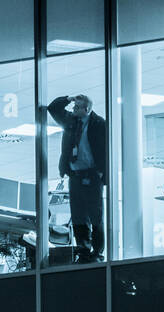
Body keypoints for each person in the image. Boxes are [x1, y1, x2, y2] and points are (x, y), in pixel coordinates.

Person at [47, 94, 107, 262]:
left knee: (95, 216)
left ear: (86, 109)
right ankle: (83, 249)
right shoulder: (71, 121)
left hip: (92, 174)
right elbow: (53, 108)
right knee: (78, 214)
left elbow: (107, 150)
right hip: (75, 175)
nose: (73, 110)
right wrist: (69, 98)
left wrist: (102, 172)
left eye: (77, 107)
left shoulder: (99, 124)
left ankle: (97, 252)